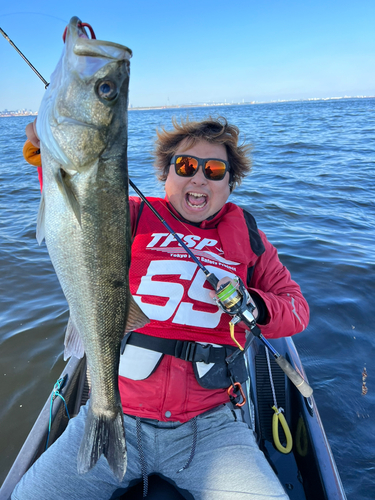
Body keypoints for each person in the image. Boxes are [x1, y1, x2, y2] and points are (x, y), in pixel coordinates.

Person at [13, 116, 309, 500]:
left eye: (214, 170)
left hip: (213, 428)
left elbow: (297, 308)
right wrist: (51, 154)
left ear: (229, 183)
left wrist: (256, 304)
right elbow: (76, 210)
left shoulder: (251, 240)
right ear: (165, 174)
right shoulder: (131, 215)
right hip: (116, 410)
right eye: (186, 166)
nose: (199, 178)